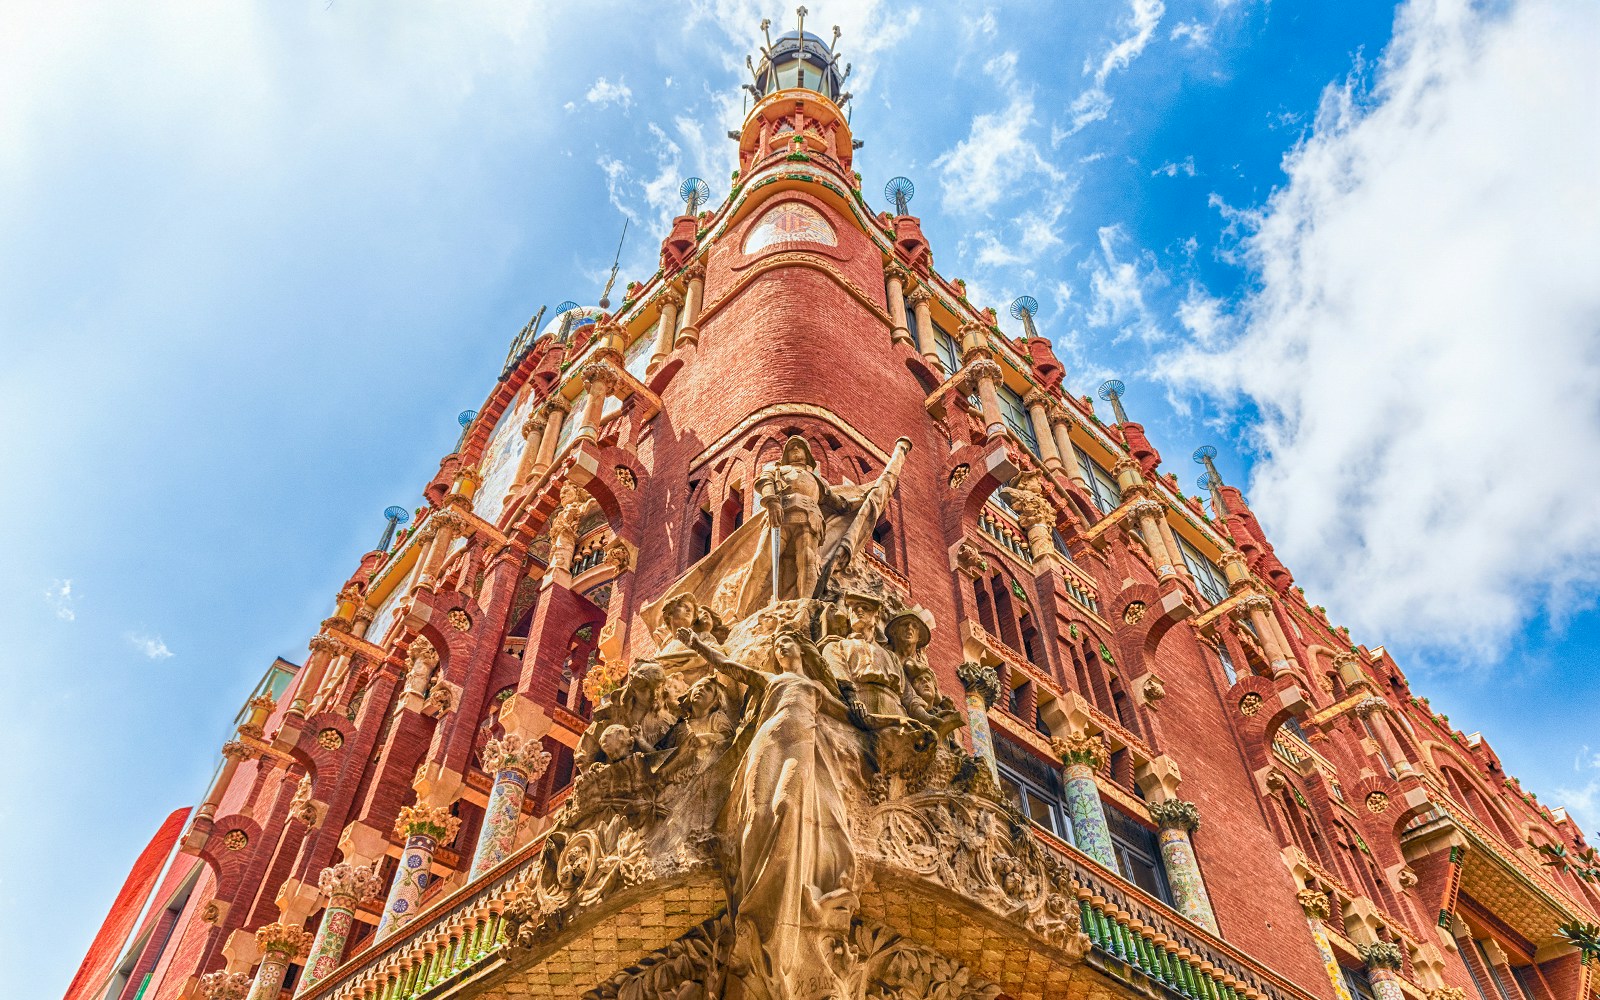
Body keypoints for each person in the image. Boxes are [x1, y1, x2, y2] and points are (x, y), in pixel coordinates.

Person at [676, 625, 862, 1000]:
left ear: (800, 649)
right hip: (770, 737)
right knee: (757, 813)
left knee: (787, 806)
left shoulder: (815, 689)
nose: (781, 648)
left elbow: (856, 717)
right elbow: (730, 666)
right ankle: (748, 895)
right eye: (777, 644)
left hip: (801, 742)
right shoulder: (771, 679)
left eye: (786, 642)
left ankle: (784, 894)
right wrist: (697, 643)